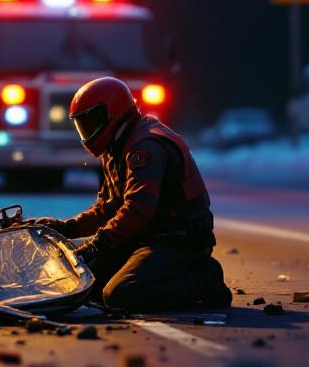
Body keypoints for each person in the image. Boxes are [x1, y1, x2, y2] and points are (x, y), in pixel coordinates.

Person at [26, 77, 232, 311]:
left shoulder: (145, 146)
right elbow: (108, 208)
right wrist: (66, 228)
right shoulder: (116, 145)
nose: (87, 130)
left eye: (92, 121)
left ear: (112, 113)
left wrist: (96, 246)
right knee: (81, 284)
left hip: (178, 241)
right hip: (147, 237)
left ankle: (205, 278)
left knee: (121, 294)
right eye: (82, 123)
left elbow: (137, 210)